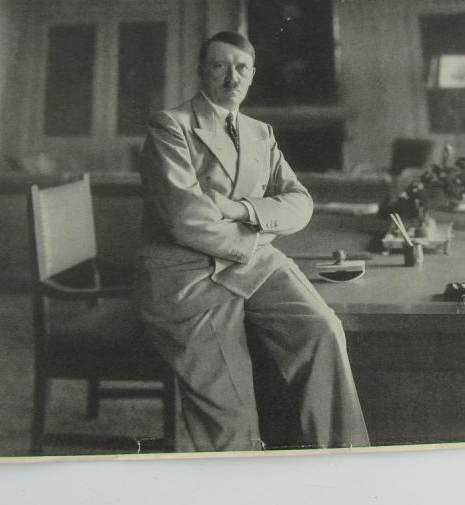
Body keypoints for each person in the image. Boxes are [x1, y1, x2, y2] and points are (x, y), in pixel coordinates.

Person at [135, 31, 369, 452]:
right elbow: (187, 219)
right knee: (233, 412)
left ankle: (343, 462)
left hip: (256, 262)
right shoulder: (171, 126)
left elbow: (300, 203)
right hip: (190, 277)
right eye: (220, 66)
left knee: (324, 330)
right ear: (201, 71)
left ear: (252, 75)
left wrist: (242, 210)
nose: (232, 77)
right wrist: (259, 233)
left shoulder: (261, 133)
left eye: (241, 67)